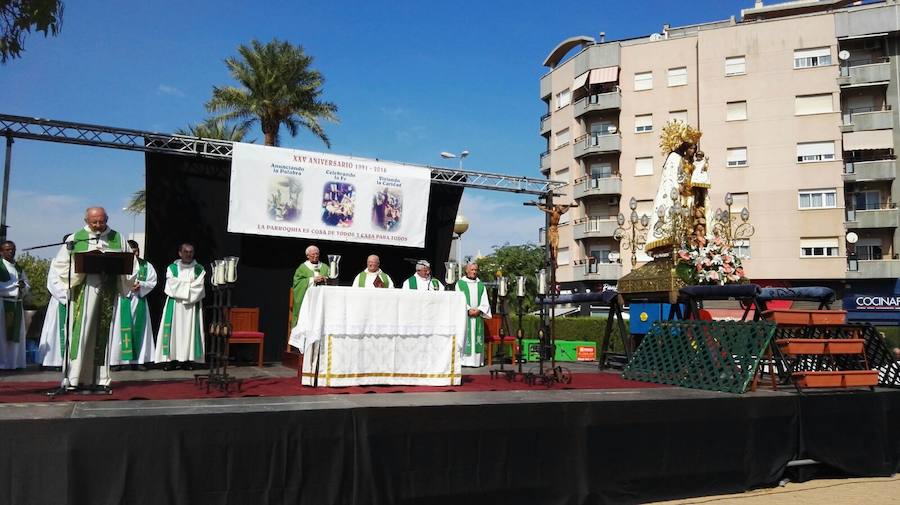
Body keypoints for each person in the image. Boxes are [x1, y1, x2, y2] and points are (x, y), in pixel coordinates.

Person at [50, 207, 134, 390]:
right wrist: (81, 267)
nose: (98, 225)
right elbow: (61, 264)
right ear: (86, 220)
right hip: (83, 291)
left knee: (102, 334)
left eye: (101, 221)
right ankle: (73, 378)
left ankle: (100, 379)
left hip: (107, 290)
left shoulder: (118, 238)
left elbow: (130, 264)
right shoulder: (76, 237)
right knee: (80, 333)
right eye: (94, 222)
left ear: (107, 219)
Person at [644, 120, 703, 253]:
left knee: (689, 221)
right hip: (678, 196)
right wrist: (677, 187)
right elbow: (669, 177)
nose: (693, 151)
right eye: (691, 148)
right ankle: (676, 242)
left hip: (690, 196)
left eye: (694, 148)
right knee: (678, 220)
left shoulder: (691, 162)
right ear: (685, 147)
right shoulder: (674, 157)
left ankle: (689, 243)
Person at [154, 243, 206, 370]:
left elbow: (199, 287)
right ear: (180, 253)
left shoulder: (199, 269)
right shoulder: (172, 268)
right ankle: (171, 360)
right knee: (173, 332)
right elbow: (171, 285)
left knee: (189, 332)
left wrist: (182, 285)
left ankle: (187, 361)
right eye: (185, 251)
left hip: (192, 307)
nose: (188, 254)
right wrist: (189, 285)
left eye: (191, 252)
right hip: (175, 306)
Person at [110, 240, 157, 368]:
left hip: (138, 299)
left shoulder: (146, 265)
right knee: (120, 331)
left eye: (136, 251)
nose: (135, 254)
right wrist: (126, 286)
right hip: (123, 299)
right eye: (131, 252)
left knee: (139, 329)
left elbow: (152, 281)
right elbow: (112, 280)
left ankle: (137, 361)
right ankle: (117, 361)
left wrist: (141, 285)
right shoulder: (119, 264)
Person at [37, 238, 68, 368]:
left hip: (76, 302)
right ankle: (53, 361)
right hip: (60, 301)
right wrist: (66, 296)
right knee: (56, 330)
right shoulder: (56, 262)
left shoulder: (81, 262)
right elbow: (52, 282)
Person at [0, 241, 29, 369]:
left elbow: (27, 283)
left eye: (12, 249)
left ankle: (15, 363)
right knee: (2, 335)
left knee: (18, 335)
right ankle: (3, 363)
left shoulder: (18, 267)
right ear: (1, 252)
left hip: (17, 304)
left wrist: (23, 287)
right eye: (7, 249)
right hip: (3, 303)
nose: (10, 252)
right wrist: (14, 286)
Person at [456, 262, 491, 367]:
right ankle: (464, 361)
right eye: (472, 270)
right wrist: (468, 310)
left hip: (477, 317)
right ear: (466, 270)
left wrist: (479, 310)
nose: (474, 272)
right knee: (465, 336)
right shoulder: (460, 284)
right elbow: (458, 299)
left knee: (477, 337)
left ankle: (476, 362)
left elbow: (485, 301)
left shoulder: (480, 285)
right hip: (465, 317)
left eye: (476, 270)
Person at [291, 245, 330, 327]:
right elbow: (297, 283)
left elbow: (332, 280)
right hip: (307, 299)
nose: (315, 256)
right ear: (307, 256)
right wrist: (313, 280)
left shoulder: (325, 267)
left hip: (321, 299)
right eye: (313, 254)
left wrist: (325, 279)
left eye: (317, 254)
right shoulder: (302, 268)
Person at [536, 201, 570, 267]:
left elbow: (566, 210)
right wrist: (537, 204)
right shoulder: (553, 212)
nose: (561, 209)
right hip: (551, 229)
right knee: (552, 246)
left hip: (556, 230)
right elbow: (543, 209)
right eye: (560, 208)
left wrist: (569, 205)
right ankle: (552, 259)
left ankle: (555, 260)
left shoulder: (560, 214)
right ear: (557, 208)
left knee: (556, 246)